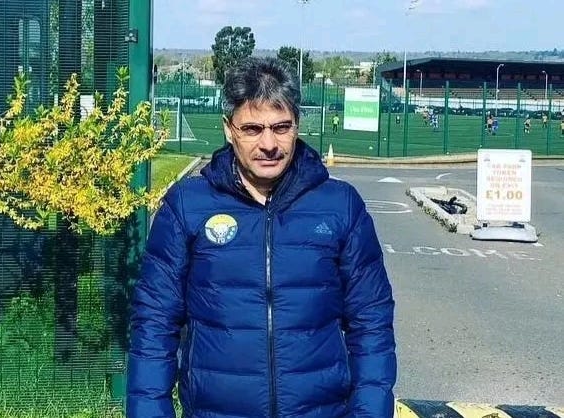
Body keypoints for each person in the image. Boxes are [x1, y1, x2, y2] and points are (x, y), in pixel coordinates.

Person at [126, 57, 397, 418]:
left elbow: (371, 322)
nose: (269, 143)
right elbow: (154, 323)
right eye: (252, 129)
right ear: (229, 129)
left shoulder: (340, 206)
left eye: (281, 127)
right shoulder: (187, 206)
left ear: (297, 124)